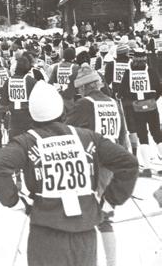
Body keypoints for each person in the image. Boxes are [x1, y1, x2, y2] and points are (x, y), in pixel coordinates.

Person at [0, 81, 138, 266]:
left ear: (32, 114)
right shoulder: (86, 136)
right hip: (85, 234)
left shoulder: (28, 141)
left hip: (46, 231)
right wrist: (109, 200)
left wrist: (17, 202)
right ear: (61, 110)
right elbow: (128, 163)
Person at [66, 64, 126, 266]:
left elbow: (66, 130)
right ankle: (112, 262)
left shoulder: (85, 104)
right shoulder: (112, 102)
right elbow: (122, 135)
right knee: (105, 217)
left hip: (90, 166)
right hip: (112, 165)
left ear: (84, 87)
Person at [118, 48, 162, 177]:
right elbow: (159, 89)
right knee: (158, 135)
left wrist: (132, 99)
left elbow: (121, 92)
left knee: (142, 136)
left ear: (133, 59)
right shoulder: (151, 71)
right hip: (152, 107)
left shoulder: (128, 72)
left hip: (136, 108)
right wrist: (151, 99)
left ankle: (147, 168)